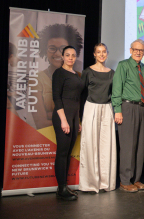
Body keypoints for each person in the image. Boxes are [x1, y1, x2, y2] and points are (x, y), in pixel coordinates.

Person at [79, 43, 116, 193]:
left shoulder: (112, 73)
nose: (101, 54)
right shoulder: (88, 72)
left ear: (107, 53)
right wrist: (79, 118)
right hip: (91, 108)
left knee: (106, 146)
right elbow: (81, 94)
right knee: (90, 145)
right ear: (94, 54)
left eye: (104, 52)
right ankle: (91, 183)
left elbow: (113, 94)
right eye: (98, 52)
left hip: (107, 109)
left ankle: (105, 182)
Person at [112, 39, 144, 193]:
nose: (138, 52)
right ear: (130, 50)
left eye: (141, 50)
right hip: (127, 107)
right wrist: (117, 110)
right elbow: (116, 89)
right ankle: (125, 180)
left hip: (142, 108)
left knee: (140, 145)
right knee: (127, 146)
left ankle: (137, 178)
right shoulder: (123, 65)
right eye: (136, 49)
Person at [32, 24, 84, 130]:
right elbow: (40, 122)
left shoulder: (79, 76)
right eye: (52, 48)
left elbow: (80, 112)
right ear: (44, 50)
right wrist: (67, 119)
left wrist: (50, 114)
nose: (57, 53)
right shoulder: (37, 80)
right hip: (45, 139)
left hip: (75, 131)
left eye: (63, 49)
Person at [52, 46, 84, 201]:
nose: (70, 58)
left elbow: (77, 100)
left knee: (68, 153)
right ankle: (61, 188)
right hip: (62, 117)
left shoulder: (76, 75)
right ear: (62, 57)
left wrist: (76, 120)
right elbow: (57, 98)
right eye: (67, 55)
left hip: (72, 117)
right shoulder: (59, 73)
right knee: (62, 153)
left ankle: (64, 187)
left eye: (73, 55)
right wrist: (64, 121)